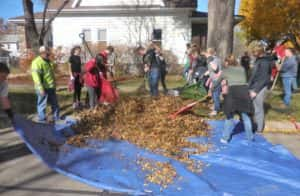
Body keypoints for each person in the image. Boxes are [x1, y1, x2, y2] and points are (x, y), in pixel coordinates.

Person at [221, 55, 254, 143]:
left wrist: (212, 89)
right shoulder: (242, 69)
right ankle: (250, 137)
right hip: (244, 91)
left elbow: (218, 81)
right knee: (245, 115)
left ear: (227, 62)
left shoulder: (225, 70)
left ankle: (225, 138)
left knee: (230, 115)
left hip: (233, 92)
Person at [248, 45, 273, 133]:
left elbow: (264, 78)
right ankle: (255, 124)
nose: (253, 54)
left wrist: (255, 90)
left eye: (254, 52)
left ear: (259, 52)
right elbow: (255, 74)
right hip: (254, 85)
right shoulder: (259, 60)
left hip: (259, 87)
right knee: (254, 107)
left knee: (258, 107)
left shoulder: (265, 62)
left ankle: (259, 128)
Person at [31, 46, 60, 122]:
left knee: (55, 103)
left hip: (51, 87)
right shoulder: (36, 62)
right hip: (42, 87)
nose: (48, 55)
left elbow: (52, 72)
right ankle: (42, 119)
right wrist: (40, 88)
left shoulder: (49, 61)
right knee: (42, 104)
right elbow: (36, 77)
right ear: (41, 53)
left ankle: (56, 117)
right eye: (46, 54)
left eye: (48, 53)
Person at [205, 48, 222, 116]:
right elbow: (213, 69)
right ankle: (216, 106)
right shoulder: (215, 59)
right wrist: (207, 72)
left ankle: (216, 110)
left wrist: (209, 60)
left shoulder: (213, 59)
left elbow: (215, 68)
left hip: (216, 80)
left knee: (215, 95)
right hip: (214, 79)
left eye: (207, 54)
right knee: (213, 94)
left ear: (209, 54)